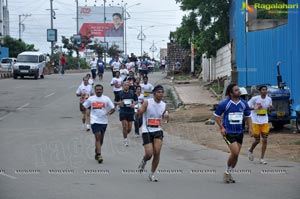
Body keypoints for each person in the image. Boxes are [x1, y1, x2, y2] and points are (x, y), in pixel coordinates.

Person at [214, 83, 252, 183]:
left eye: (238, 90)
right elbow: (216, 116)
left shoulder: (244, 103)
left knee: (236, 155)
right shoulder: (225, 103)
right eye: (236, 90)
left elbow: (248, 116)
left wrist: (251, 128)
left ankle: (229, 172)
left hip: (239, 132)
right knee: (234, 152)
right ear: (231, 93)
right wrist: (222, 128)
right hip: (228, 132)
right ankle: (227, 173)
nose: (239, 91)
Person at [136, 85, 169, 182]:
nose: (161, 94)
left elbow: (165, 118)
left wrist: (167, 118)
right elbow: (140, 112)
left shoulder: (164, 105)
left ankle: (152, 174)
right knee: (149, 154)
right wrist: (139, 112)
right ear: (154, 93)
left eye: (162, 92)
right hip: (147, 130)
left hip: (158, 130)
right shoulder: (147, 102)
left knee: (157, 152)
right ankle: (144, 160)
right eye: (159, 92)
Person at [83, 84, 115, 163]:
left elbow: (113, 108)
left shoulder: (106, 98)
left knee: (101, 139)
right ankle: (99, 155)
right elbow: (84, 107)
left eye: (100, 89)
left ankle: (97, 151)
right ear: (95, 90)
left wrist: (109, 112)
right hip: (94, 121)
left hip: (104, 121)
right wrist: (82, 101)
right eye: (97, 89)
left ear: (102, 90)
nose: (98, 91)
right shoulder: (91, 99)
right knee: (98, 136)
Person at [247, 85, 273, 164]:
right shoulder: (255, 99)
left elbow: (270, 107)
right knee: (257, 140)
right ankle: (250, 150)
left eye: (265, 90)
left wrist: (270, 108)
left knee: (265, 140)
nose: (264, 91)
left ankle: (262, 158)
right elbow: (247, 107)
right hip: (255, 121)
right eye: (263, 90)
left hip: (264, 120)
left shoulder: (269, 99)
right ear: (260, 91)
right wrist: (256, 107)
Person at [114, 81, 138, 146]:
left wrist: (133, 104)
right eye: (125, 85)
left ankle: (125, 135)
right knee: (124, 126)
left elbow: (136, 101)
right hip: (123, 111)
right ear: (122, 86)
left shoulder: (132, 93)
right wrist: (119, 103)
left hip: (130, 111)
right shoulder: (120, 93)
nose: (126, 86)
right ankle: (125, 140)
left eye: (127, 85)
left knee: (129, 128)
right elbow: (115, 101)